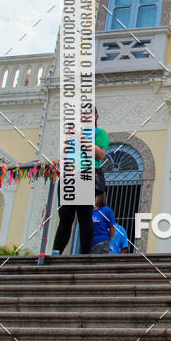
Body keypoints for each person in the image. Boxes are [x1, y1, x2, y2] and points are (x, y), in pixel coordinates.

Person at [52, 106, 109, 255]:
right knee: (65, 218)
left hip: (85, 175)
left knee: (84, 216)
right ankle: (56, 251)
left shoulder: (99, 133)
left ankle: (84, 254)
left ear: (95, 116)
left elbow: (100, 154)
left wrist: (82, 138)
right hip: (68, 177)